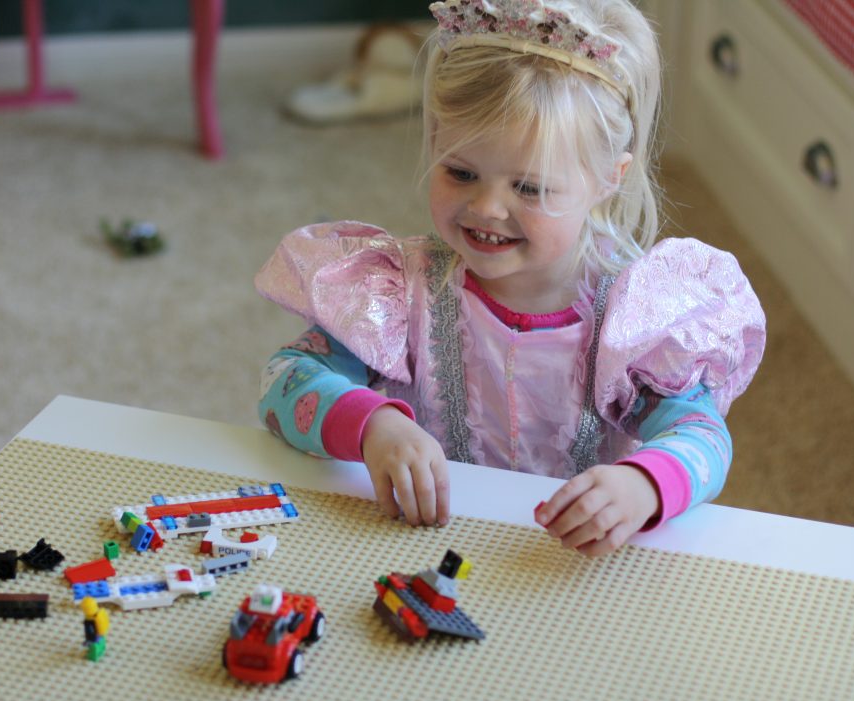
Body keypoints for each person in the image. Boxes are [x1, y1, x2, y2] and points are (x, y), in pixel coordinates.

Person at [254, 0, 766, 556]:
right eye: (461, 172)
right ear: (433, 143)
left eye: (529, 188)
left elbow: (704, 438)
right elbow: (286, 380)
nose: (487, 208)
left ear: (607, 179)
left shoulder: (639, 314)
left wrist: (644, 484)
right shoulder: (398, 291)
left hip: (568, 566)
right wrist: (374, 424)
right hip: (421, 547)